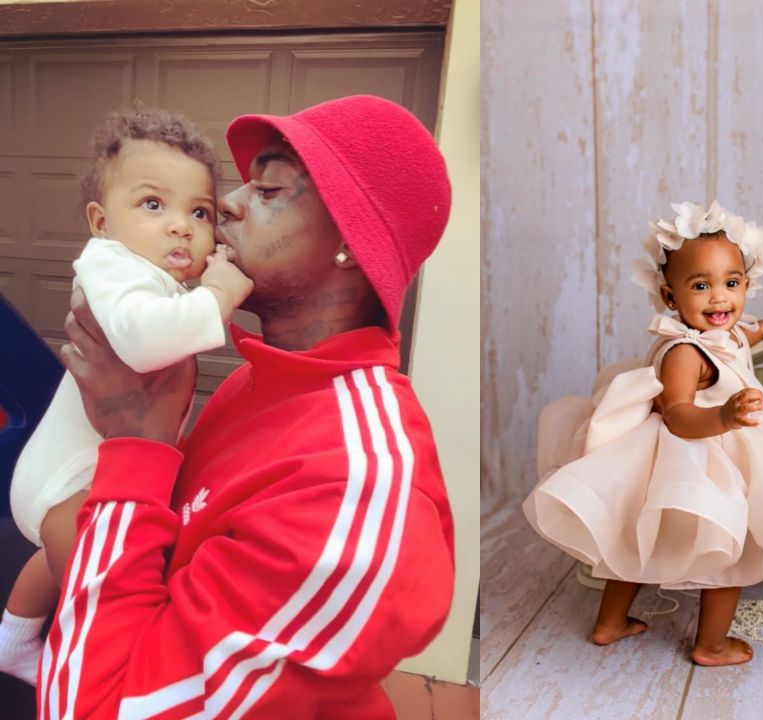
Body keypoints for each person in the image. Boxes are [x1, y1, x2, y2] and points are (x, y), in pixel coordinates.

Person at [35, 95, 454, 718]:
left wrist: (138, 446)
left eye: (270, 188)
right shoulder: (255, 383)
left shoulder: (357, 492)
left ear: (350, 243)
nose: (225, 204)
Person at [525, 201, 763, 666]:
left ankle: (610, 623)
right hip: (694, 451)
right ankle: (711, 645)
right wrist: (724, 418)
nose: (720, 299)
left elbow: (742, 336)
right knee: (731, 548)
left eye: (732, 283)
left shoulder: (727, 332)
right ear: (670, 295)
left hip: (703, 449)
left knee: (636, 544)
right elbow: (678, 414)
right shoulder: (684, 352)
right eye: (702, 286)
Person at [0, 106, 252, 685]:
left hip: (81, 476)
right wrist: (217, 292)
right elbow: (142, 343)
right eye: (153, 204)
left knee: (53, 564)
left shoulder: (151, 279)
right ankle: (91, 678)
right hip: (66, 484)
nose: (181, 225)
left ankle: (14, 640)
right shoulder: (110, 264)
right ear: (101, 221)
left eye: (200, 212)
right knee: (98, 587)